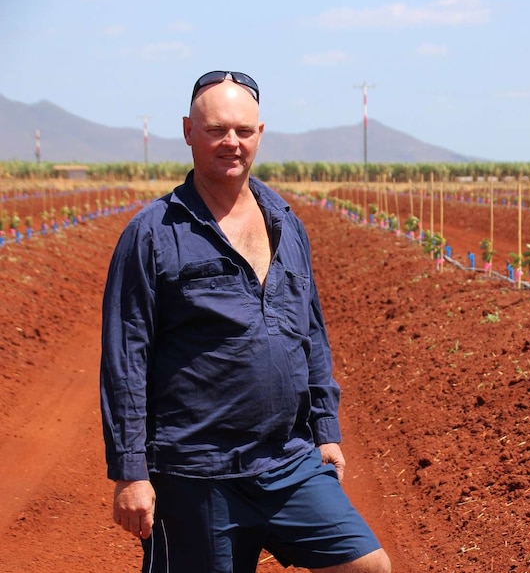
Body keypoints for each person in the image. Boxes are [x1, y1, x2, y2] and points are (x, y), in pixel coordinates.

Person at [100, 71, 391, 573]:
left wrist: (325, 428)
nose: (231, 143)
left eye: (243, 130)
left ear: (259, 133)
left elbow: (311, 333)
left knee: (367, 566)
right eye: (216, 130)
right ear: (189, 131)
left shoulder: (286, 221)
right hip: (196, 472)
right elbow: (126, 358)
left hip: (287, 460)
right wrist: (130, 473)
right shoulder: (152, 234)